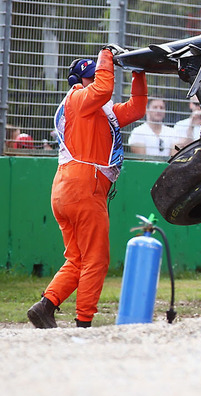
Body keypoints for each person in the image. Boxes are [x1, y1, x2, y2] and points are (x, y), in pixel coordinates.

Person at [26, 49, 147, 328]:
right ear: (78, 82)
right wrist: (107, 55)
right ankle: (84, 322)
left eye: (97, 74)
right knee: (96, 259)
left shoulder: (97, 110)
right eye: (91, 77)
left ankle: (46, 305)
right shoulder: (79, 99)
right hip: (83, 187)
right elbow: (104, 88)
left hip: (66, 187)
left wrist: (138, 73)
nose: (96, 80)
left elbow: (137, 108)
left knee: (77, 258)